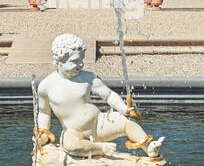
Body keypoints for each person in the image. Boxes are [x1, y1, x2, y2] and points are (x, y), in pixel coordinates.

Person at [36, 34, 164, 159]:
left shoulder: (87, 77)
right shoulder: (46, 86)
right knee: (70, 144)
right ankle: (101, 148)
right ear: (59, 61)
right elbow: (44, 113)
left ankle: (149, 148)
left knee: (128, 122)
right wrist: (43, 132)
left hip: (100, 124)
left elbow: (108, 95)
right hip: (75, 132)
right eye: (75, 61)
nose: (80, 64)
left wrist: (123, 108)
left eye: (82, 59)